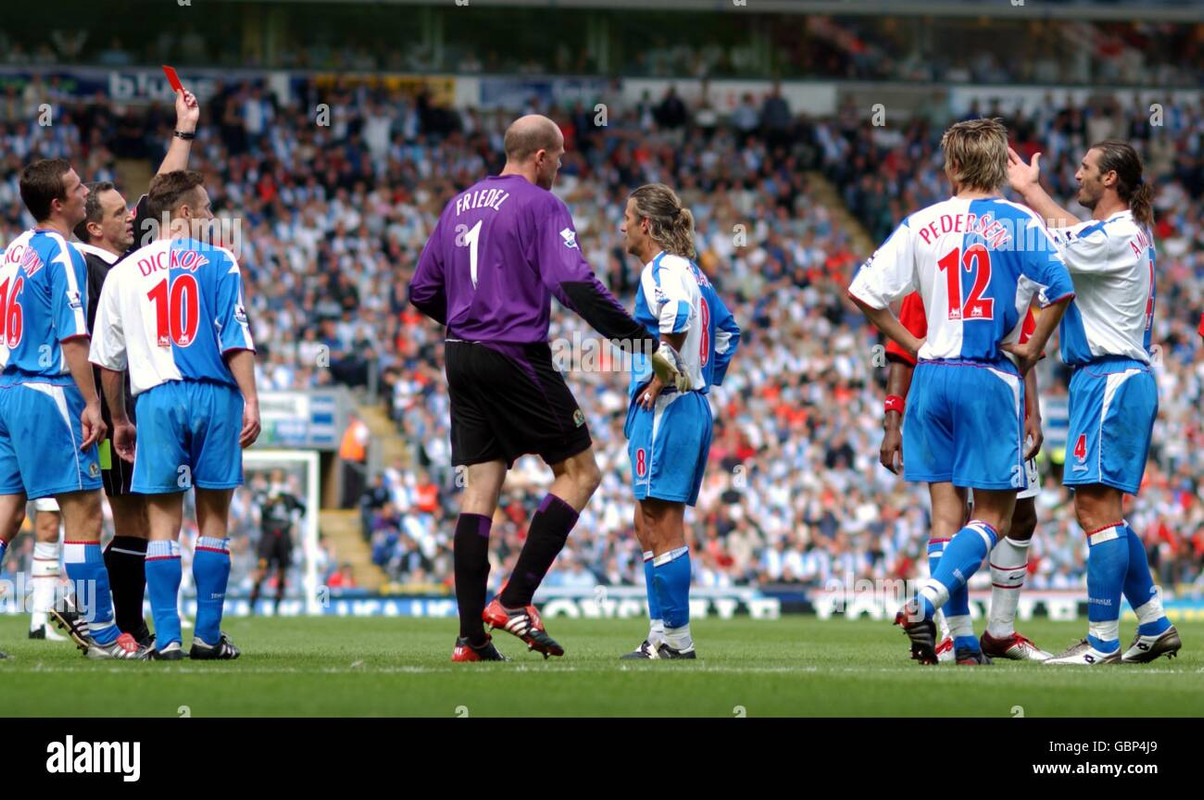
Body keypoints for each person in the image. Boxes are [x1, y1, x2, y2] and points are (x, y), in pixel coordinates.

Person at [408, 114, 689, 662]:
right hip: (513, 352)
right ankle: (514, 599)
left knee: (479, 490)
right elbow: (572, 282)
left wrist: (469, 313)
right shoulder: (542, 205)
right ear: (540, 156)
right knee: (581, 472)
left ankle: (470, 640)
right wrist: (638, 341)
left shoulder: (459, 204)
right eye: (559, 157)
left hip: (459, 355)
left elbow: (421, 290)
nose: (561, 167)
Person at [847, 118, 1075, 665]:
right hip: (988, 376)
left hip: (932, 379)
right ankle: (926, 599)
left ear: (951, 166)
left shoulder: (921, 222)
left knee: (944, 517)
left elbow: (863, 291)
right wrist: (1029, 349)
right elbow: (1060, 288)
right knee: (993, 517)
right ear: (999, 166)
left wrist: (913, 341)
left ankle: (965, 643)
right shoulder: (1020, 222)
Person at [1007, 139, 1180, 665]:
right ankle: (1153, 624)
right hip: (1112, 377)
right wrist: (1034, 194)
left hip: (1110, 378)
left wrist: (1022, 202)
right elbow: (1068, 237)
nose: (1076, 176)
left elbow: (1057, 240)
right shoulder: (1126, 233)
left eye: (1084, 168)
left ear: (1109, 179)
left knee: (1094, 510)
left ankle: (1102, 641)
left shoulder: (1115, 234)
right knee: (1107, 512)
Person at [89, 169, 260, 661]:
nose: (211, 218)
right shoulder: (221, 261)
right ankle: (207, 636)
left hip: (157, 400)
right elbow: (235, 338)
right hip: (216, 397)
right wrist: (251, 399)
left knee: (161, 523)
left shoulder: (124, 272)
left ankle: (165, 639)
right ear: (183, 213)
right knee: (213, 519)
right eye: (205, 209)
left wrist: (120, 420)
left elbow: (109, 360)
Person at [69, 88, 201, 646]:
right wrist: (103, 410)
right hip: (111, 412)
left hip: (116, 411)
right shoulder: (93, 269)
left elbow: (158, 200)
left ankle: (117, 621)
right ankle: (111, 621)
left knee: (135, 522)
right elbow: (97, 352)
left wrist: (184, 132)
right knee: (131, 522)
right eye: (121, 213)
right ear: (94, 227)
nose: (134, 217)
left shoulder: (117, 262)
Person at [0, 158, 147, 660]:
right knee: (84, 517)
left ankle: (100, 627)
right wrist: (92, 404)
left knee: (4, 517)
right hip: (48, 393)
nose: (86, 189)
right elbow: (73, 336)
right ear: (58, 204)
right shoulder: (62, 254)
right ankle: (105, 635)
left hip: (8, 391)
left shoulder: (15, 249)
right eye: (77, 186)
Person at [881, 292, 1051, 663]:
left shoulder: (1002, 258)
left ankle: (997, 632)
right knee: (965, 516)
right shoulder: (931, 266)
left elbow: (1027, 349)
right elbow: (901, 351)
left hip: (1001, 399)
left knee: (1021, 515)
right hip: (966, 396)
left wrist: (1033, 412)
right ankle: (952, 634)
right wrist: (891, 419)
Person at [618, 183, 740, 660]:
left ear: (645, 225)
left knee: (662, 523)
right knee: (644, 520)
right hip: (684, 403)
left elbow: (679, 314)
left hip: (668, 404)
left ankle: (678, 641)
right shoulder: (693, 272)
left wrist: (665, 374)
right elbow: (728, 332)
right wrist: (702, 377)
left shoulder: (661, 269)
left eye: (627, 217)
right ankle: (659, 634)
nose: (622, 226)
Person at [249, 469, 306, 614]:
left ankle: (277, 604)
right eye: (275, 476)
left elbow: (301, 509)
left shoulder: (287, 496)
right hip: (268, 534)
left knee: (282, 569)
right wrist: (269, 502)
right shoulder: (264, 494)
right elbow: (258, 510)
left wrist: (293, 520)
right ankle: (253, 601)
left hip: (284, 535)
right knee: (262, 567)